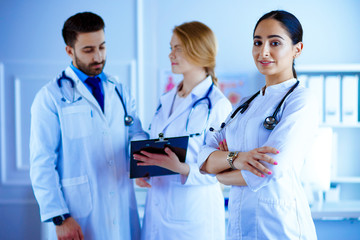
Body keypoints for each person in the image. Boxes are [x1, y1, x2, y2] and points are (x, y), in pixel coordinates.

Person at [199, 10, 318, 239]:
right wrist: (238, 159)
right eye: (257, 42)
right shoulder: (244, 105)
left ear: (297, 49)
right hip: (239, 227)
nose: (263, 51)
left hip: (281, 228)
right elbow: (204, 158)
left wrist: (222, 171)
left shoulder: (301, 100)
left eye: (275, 43)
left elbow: (270, 168)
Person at [29, 12, 147, 240]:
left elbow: (135, 133)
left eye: (102, 47)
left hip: (122, 210)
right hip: (78, 218)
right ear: (69, 50)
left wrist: (142, 163)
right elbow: (42, 162)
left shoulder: (118, 89)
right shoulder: (51, 97)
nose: (99, 56)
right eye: (88, 50)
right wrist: (60, 217)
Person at [133, 21, 232, 240]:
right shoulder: (166, 100)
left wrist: (184, 169)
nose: (171, 55)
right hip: (157, 214)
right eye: (171, 48)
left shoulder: (217, 105)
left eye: (178, 48)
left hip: (193, 220)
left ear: (199, 50)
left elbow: (224, 171)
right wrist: (144, 168)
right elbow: (156, 144)